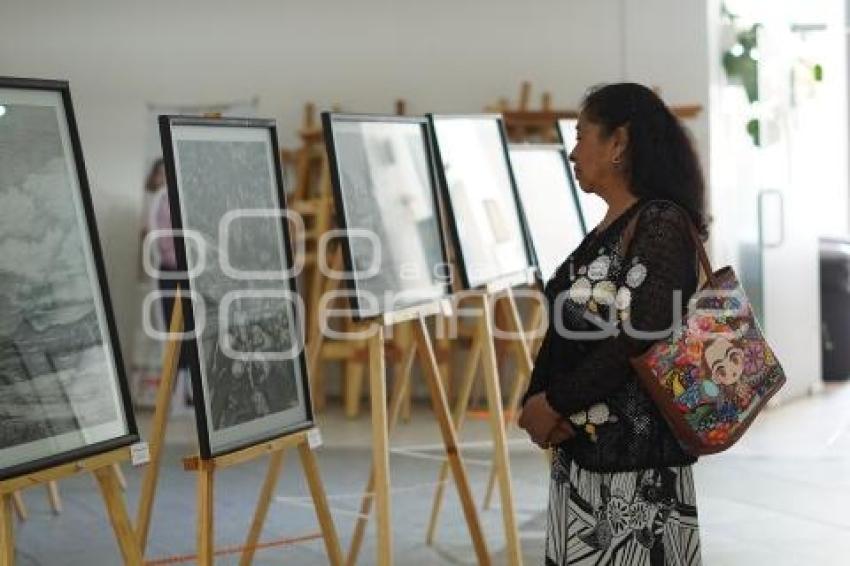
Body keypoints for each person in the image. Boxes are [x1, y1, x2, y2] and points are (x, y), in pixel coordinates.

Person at [518, 83, 708, 565]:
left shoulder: (660, 223)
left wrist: (555, 401)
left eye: (581, 136)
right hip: (586, 461)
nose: (573, 152)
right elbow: (568, 325)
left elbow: (639, 337)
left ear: (618, 143)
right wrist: (535, 401)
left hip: (636, 471)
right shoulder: (612, 226)